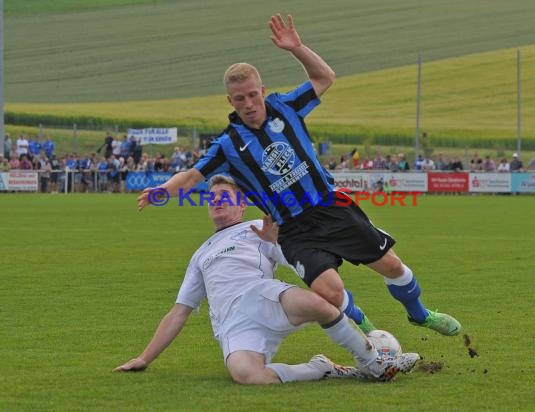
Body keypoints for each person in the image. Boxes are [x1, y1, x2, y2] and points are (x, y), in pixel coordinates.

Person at [137, 13, 461, 338]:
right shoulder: (227, 145)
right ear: (230, 101)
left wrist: (297, 48)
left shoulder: (284, 107)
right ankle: (367, 330)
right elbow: (192, 176)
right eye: (240, 99)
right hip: (293, 230)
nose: (249, 104)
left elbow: (324, 78)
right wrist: (160, 190)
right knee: (331, 292)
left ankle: (419, 315)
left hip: (331, 206)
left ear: (261, 90)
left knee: (392, 267)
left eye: (253, 94)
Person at [118, 175, 419, 384]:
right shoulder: (200, 254)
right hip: (231, 324)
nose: (216, 200)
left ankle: (374, 364)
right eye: (212, 197)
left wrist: (276, 240)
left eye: (225, 196)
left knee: (319, 304)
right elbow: (179, 311)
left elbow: (300, 262)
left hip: (261, 295)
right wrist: (144, 358)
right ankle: (323, 368)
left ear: (241, 205)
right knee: (247, 376)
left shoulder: (257, 228)